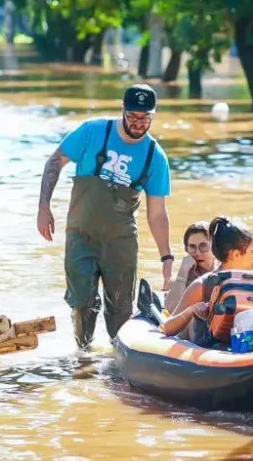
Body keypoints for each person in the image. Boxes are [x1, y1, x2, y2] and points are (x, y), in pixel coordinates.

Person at [37, 84, 174, 349]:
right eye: (132, 116)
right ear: (122, 109)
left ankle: (118, 361)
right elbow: (55, 162)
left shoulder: (154, 156)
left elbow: (157, 214)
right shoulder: (93, 131)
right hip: (80, 235)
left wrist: (166, 256)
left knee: (122, 309)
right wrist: (44, 207)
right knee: (81, 303)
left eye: (145, 117)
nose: (138, 123)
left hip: (120, 241)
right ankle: (83, 356)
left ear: (153, 115)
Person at [161, 217, 253, 344]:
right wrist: (191, 311)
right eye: (252, 251)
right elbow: (168, 328)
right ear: (236, 254)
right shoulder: (201, 286)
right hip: (207, 351)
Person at [164, 221, 216, 310]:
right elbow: (172, 309)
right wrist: (183, 272)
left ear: (215, 247)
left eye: (203, 246)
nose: (198, 252)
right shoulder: (179, 281)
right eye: (192, 247)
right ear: (186, 250)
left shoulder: (226, 273)